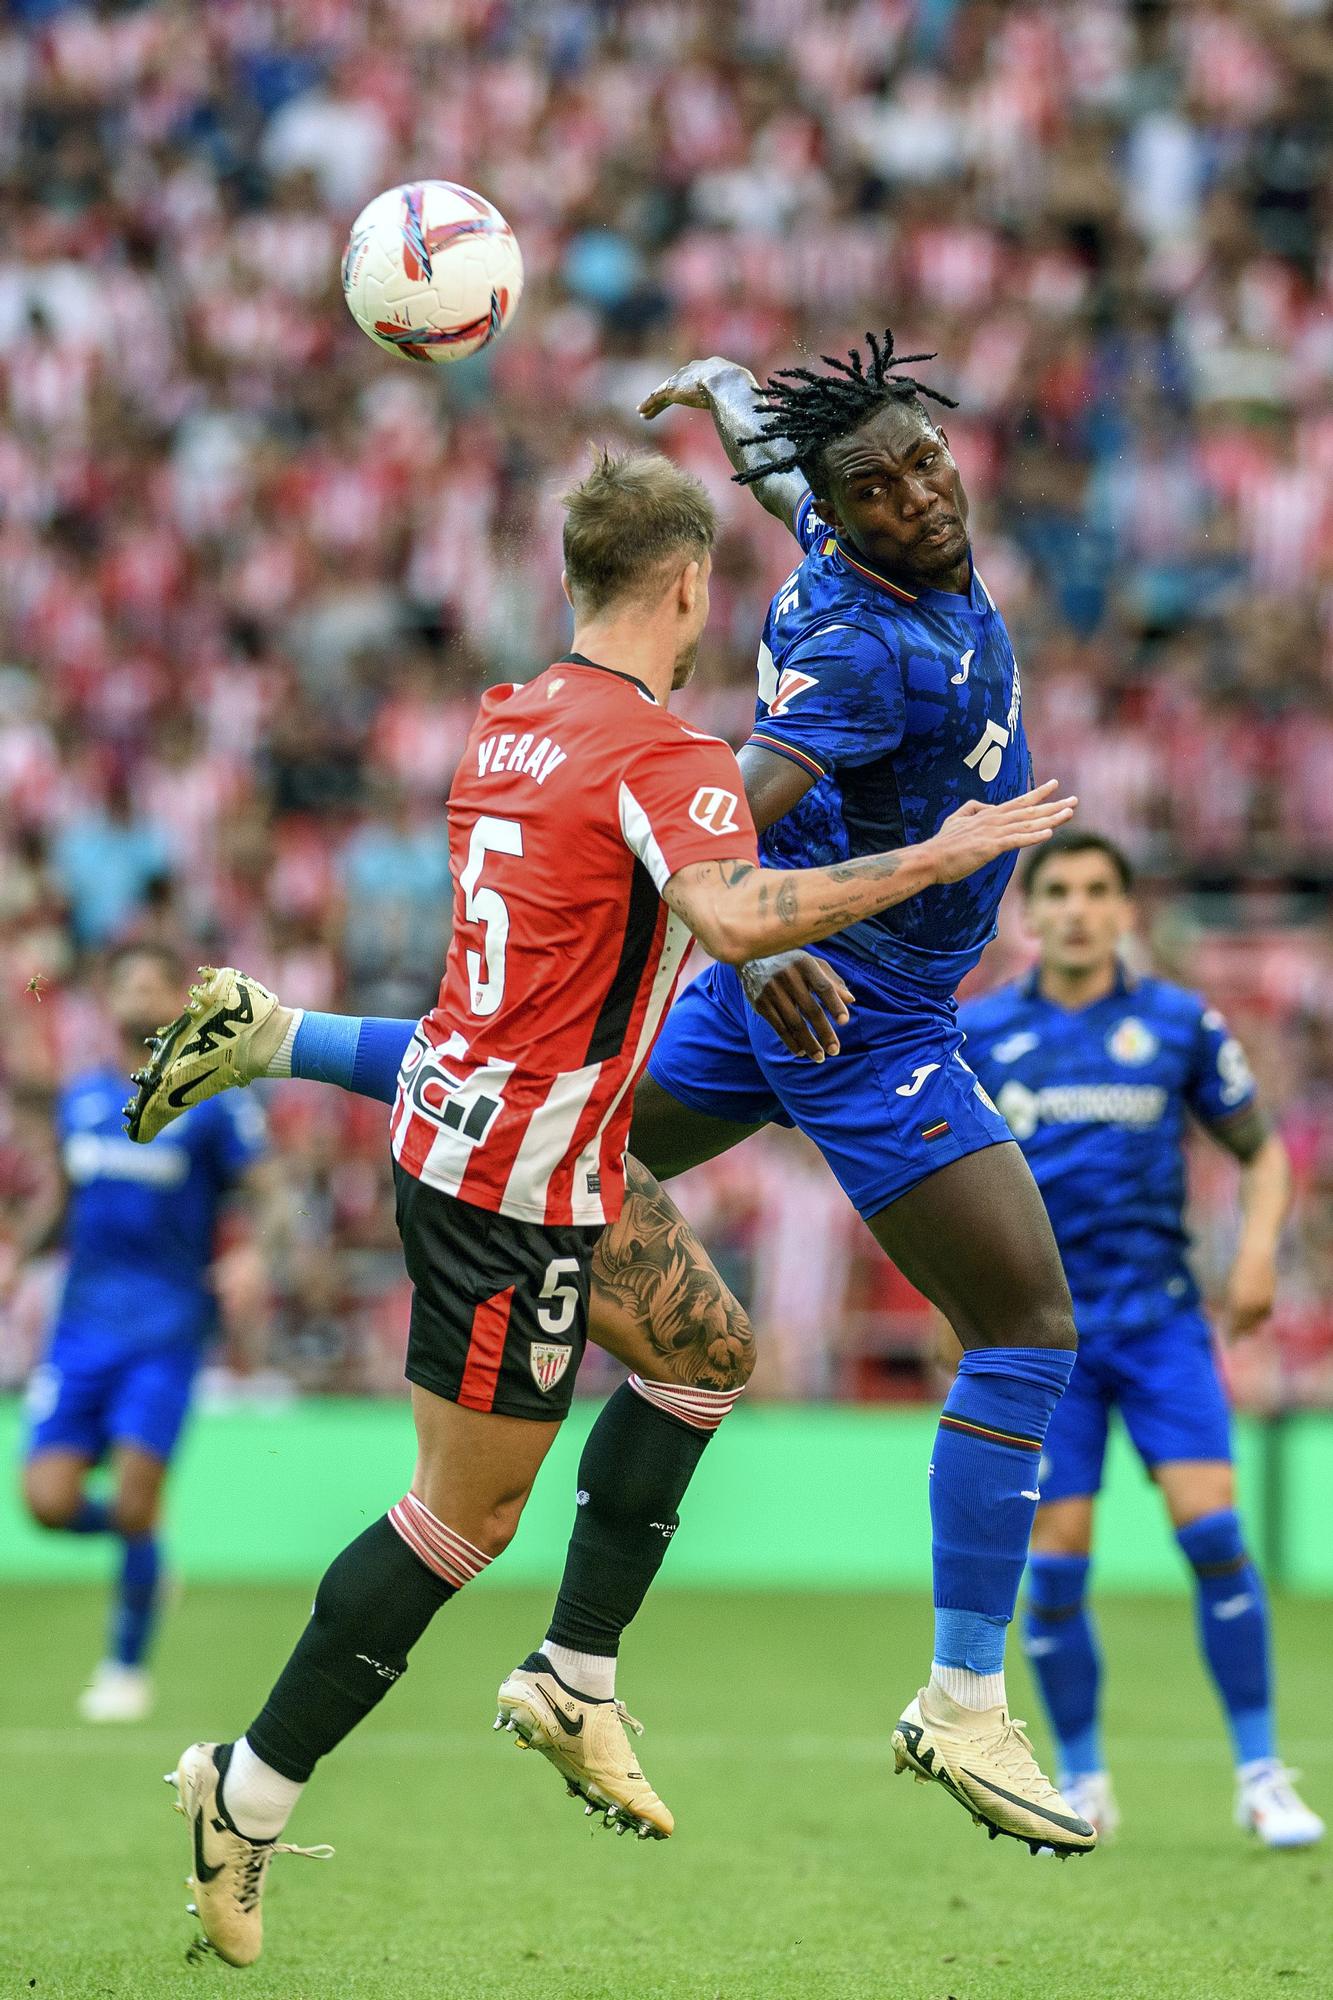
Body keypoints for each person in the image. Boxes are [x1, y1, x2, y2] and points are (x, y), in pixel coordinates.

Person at [136, 339, 1100, 1871]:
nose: (920, 493)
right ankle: (962, 1698)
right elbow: (729, 802)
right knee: (1031, 1327)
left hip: (780, 999)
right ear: (836, 526)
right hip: (865, 1018)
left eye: (924, 460)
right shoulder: (856, 647)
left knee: (559, 1110)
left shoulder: (862, 537)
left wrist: (735, 406)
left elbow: (803, 488)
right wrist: (789, 903)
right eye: (879, 487)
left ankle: (282, 1034)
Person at [958, 829, 1324, 1850]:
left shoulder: (1177, 1024)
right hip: (1046, 1341)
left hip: (1162, 1324)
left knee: (1212, 1532)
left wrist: (1254, 1258)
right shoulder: (980, 1033)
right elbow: (934, 1181)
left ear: (1126, 909)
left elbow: (1261, 1158)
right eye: (1058, 891)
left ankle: (1260, 1774)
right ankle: (1082, 1780)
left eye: (1096, 890)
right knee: (1061, 1562)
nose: (1076, 907)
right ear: (1030, 913)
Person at [16, 942, 272, 1721]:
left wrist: (254, 1253)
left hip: (165, 1327)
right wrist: (15, 1255)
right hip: (80, 1329)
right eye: (124, 980)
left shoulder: (216, 1105)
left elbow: (270, 1190)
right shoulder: (83, 1097)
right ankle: (151, 1562)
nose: (137, 993)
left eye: (152, 983)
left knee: (134, 1501)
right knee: (48, 1503)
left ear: (178, 1005)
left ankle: (125, 1669)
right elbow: (60, 1200)